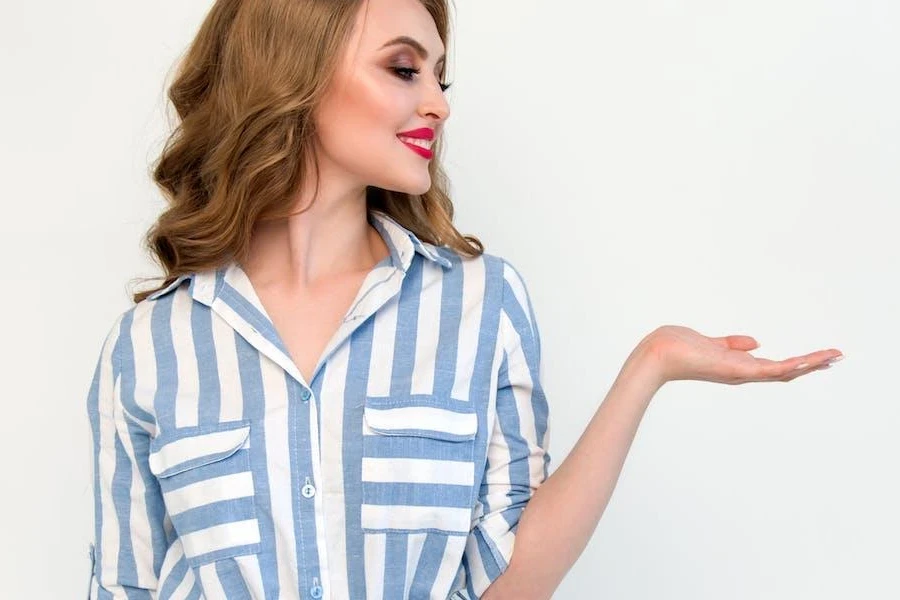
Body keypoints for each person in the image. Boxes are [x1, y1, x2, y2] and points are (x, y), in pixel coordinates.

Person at [84, 0, 844, 598]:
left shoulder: (481, 304)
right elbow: (125, 587)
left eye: (439, 78)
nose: (439, 105)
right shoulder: (151, 345)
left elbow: (511, 582)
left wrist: (649, 365)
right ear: (295, 73)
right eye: (404, 68)